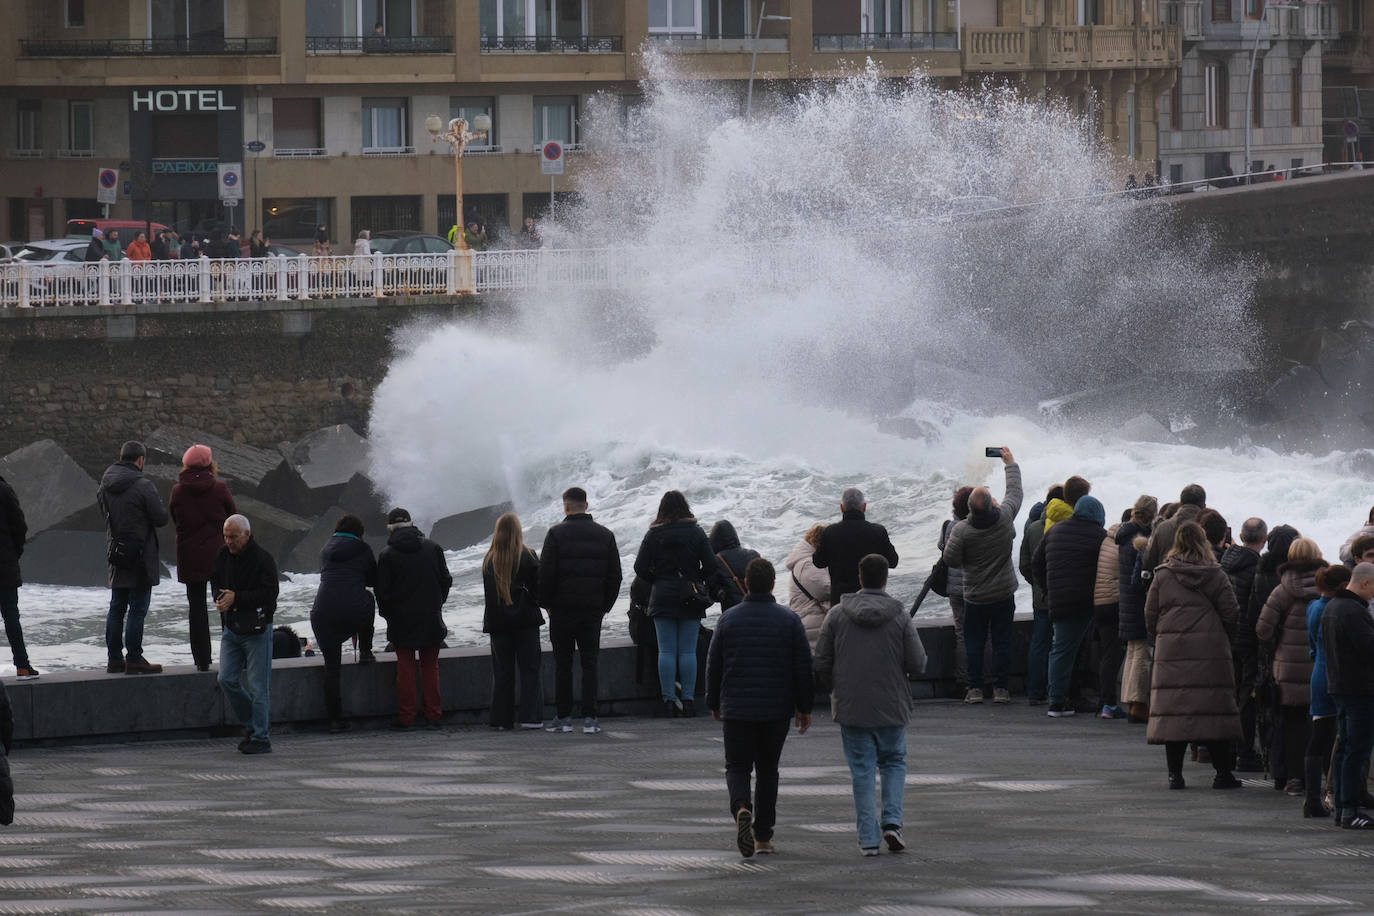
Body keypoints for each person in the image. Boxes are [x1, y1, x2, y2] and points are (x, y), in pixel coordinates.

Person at [814, 554, 927, 856]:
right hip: (892, 704)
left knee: (862, 770)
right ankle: (892, 823)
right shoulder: (900, 614)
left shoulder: (837, 615)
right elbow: (918, 662)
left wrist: (836, 689)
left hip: (852, 706)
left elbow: (822, 661)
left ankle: (868, 840)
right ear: (886, 579)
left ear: (860, 578)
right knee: (893, 763)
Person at [706, 558, 813, 858]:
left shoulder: (727, 620)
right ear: (773, 584)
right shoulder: (789, 620)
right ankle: (763, 836)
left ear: (746, 584)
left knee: (737, 766)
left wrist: (713, 702)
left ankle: (741, 807)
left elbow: (713, 666)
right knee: (768, 770)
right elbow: (803, 667)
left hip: (738, 709)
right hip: (776, 709)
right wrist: (804, 707)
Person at [1144, 521, 1243, 790]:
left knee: (1174, 715)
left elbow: (1150, 615)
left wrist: (1164, 635)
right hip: (1210, 650)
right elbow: (1231, 612)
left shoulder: (1163, 574)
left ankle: (1175, 775)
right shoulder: (1216, 573)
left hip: (1172, 651)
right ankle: (1223, 774)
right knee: (1213, 712)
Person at [538, 487, 621, 734]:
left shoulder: (555, 534)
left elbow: (545, 575)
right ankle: (590, 719)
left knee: (562, 663)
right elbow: (615, 576)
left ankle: (563, 718)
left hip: (561, 611)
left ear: (565, 506)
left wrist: (547, 605)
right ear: (587, 505)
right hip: (592, 611)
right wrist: (604, 606)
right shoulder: (605, 535)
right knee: (590, 663)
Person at [633, 490, 722, 718]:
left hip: (662, 595)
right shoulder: (696, 532)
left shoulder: (653, 534)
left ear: (662, 510)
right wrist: (695, 578)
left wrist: (659, 580)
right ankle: (689, 701)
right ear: (686, 507)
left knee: (667, 650)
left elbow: (639, 568)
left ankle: (669, 701)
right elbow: (712, 565)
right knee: (687, 651)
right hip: (690, 596)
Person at [942, 448, 1021, 704]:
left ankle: (974, 689)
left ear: (968, 508)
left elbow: (950, 560)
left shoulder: (962, 530)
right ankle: (1001, 689)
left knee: (973, 642)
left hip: (975, 596)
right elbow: (1015, 493)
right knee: (1002, 642)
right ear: (993, 504)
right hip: (1003, 593)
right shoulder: (1005, 518)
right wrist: (1010, 464)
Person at [1033, 494, 1114, 717]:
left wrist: (1048, 589)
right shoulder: (1099, 536)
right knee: (1066, 650)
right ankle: (1057, 702)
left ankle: (1067, 697)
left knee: (1064, 649)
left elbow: (1036, 563)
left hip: (1058, 599)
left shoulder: (1054, 531)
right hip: (1084, 601)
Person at [1255, 536, 1324, 797]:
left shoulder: (1283, 590)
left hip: (1288, 670)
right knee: (1321, 725)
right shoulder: (1327, 586)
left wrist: (1276, 648)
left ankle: (1295, 778)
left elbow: (1262, 629)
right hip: (1320, 666)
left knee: (1292, 725)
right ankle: (1319, 779)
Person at [97, 440, 170, 675]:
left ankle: (114, 659)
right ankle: (135, 658)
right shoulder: (143, 485)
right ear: (140, 460)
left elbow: (103, 511)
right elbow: (160, 518)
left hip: (116, 552)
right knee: (137, 608)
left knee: (117, 607)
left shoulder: (105, 483)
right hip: (139, 554)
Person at [376, 508, 452, 730]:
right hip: (430, 617)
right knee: (430, 667)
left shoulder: (387, 554)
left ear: (390, 528)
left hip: (401, 621)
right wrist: (437, 604)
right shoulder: (432, 547)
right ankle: (434, 716)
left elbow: (382, 593)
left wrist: (389, 615)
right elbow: (446, 579)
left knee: (406, 669)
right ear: (411, 524)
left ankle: (407, 718)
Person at [211, 514, 279, 755]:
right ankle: (253, 724)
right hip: (231, 628)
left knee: (258, 687)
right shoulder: (221, 555)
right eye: (226, 536)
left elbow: (270, 595)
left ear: (247, 535)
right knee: (226, 679)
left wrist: (237, 598)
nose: (229, 541)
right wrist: (219, 600)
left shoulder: (263, 559)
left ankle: (261, 738)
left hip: (258, 631)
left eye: (233, 537)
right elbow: (216, 582)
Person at [168, 444, 237, 672]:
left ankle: (202, 661)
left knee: (196, 608)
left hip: (190, 555)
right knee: (226, 604)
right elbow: (232, 516)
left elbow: (174, 518)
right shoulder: (219, 488)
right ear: (210, 464)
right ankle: (232, 657)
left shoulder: (178, 491)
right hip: (219, 554)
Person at [310, 514, 378, 734]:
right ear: (359, 533)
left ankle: (335, 721)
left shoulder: (325, 550)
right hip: (352, 610)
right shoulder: (363, 549)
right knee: (368, 599)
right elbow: (372, 581)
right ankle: (366, 650)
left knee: (332, 669)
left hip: (322, 614)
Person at [1321, 562, 1374, 828]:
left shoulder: (1333, 607)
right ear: (1364, 583)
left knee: (1345, 747)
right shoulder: (1353, 611)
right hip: (1359, 689)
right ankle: (1350, 809)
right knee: (1357, 749)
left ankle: (1344, 807)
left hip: (1339, 686)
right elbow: (1369, 649)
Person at [482, 512, 544, 730]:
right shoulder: (528, 556)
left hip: (498, 624)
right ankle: (530, 718)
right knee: (530, 670)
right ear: (518, 532)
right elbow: (539, 591)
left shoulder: (489, 560)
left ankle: (501, 720)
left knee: (502, 673)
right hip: (526, 623)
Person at [1249, 523, 1300, 784]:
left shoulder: (1261, 571)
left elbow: (1257, 620)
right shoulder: (1294, 580)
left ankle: (1277, 768)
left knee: (1273, 712)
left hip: (1268, 653)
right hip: (1297, 657)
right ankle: (1294, 773)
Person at [1221, 516, 1267, 770]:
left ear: (1240, 536)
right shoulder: (1256, 569)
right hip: (1248, 642)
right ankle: (1245, 753)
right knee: (1247, 698)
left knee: (1230, 693)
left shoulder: (1225, 563)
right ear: (1265, 539)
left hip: (1228, 638)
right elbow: (1258, 610)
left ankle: (1228, 750)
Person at [1304, 564, 1349, 818]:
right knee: (1335, 737)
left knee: (1320, 734)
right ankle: (1329, 795)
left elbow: (1312, 645)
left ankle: (1313, 798)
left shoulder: (1313, 607)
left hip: (1318, 673)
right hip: (1335, 676)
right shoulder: (1335, 611)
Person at [812, 486, 899, 605]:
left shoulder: (830, 532)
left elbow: (818, 562)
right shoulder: (878, 531)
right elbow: (893, 561)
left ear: (842, 508)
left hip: (841, 602)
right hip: (872, 601)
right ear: (864, 507)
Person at [1018, 485, 1060, 705]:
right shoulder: (1066, 525)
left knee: (1039, 643)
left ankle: (1035, 691)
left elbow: (1024, 563)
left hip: (1040, 597)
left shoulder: (1033, 528)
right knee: (1061, 645)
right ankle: (1059, 691)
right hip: (1064, 597)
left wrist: (1035, 584)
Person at [1117, 495, 1157, 723]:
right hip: (1137, 600)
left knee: (1133, 652)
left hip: (1126, 599)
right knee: (1141, 653)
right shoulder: (1138, 537)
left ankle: (1132, 701)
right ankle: (1138, 704)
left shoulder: (1124, 534)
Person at [0, 472, 36, 679]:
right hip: (4, 566)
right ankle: (22, 666)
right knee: (11, 617)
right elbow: (20, 526)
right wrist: (14, 553)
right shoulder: (4, 490)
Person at [943, 486, 975, 698]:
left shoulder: (951, 526)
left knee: (962, 635)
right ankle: (986, 681)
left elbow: (943, 548)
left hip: (956, 588)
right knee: (985, 634)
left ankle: (963, 682)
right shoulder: (981, 526)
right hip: (977, 586)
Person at [783, 523, 831, 648]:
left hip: (810, 624)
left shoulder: (807, 561)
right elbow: (825, 589)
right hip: (812, 626)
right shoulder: (807, 563)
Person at [709, 520, 759, 612]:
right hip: (758, 607)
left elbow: (713, 594)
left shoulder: (716, 561)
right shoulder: (753, 555)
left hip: (732, 611)